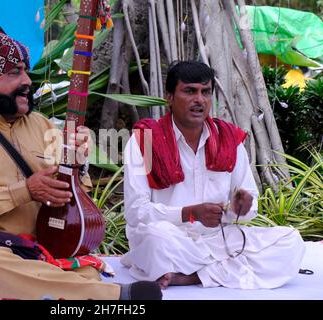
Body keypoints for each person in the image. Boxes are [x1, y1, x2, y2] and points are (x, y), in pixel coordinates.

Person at [0, 20, 161, 300]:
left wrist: (77, 166)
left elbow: (77, 193)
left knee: (79, 269)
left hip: (36, 245)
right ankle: (112, 297)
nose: (27, 82)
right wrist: (24, 191)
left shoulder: (41, 125)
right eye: (15, 73)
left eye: (26, 72)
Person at [121, 61, 305, 290]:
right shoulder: (144, 141)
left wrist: (240, 208)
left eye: (205, 92)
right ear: (169, 96)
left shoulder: (228, 139)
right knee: (154, 240)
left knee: (290, 242)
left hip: (218, 239)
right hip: (170, 239)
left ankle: (192, 276)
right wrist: (190, 213)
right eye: (189, 91)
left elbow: (250, 203)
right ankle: (219, 269)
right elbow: (136, 212)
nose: (199, 100)